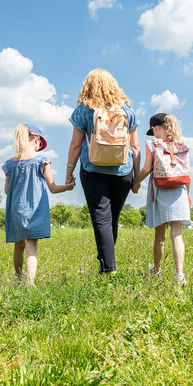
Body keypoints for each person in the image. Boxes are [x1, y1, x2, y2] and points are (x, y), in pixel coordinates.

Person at [66, 68, 140, 275]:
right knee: (111, 219)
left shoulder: (83, 110)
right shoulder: (127, 110)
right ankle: (107, 265)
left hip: (93, 169)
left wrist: (69, 171)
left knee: (101, 219)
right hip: (122, 170)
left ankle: (108, 268)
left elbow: (75, 145)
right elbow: (135, 148)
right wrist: (136, 178)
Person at [2, 124, 75, 285]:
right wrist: (68, 187)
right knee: (31, 247)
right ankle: (30, 281)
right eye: (39, 144)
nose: (39, 148)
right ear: (36, 139)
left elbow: (7, 191)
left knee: (18, 246)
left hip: (15, 210)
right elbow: (53, 188)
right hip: (34, 210)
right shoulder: (42, 161)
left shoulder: (9, 164)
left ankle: (18, 278)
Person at [132, 113, 191, 285]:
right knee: (177, 234)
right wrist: (187, 195)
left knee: (160, 235)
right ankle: (179, 274)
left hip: (158, 190)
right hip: (179, 190)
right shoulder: (182, 145)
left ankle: (156, 270)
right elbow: (188, 175)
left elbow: (145, 169)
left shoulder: (152, 143)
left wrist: (135, 183)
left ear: (154, 128)